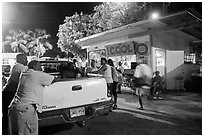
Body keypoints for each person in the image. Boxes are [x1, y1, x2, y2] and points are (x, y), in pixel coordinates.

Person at [8, 60, 54, 135]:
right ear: (34, 66)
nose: (41, 68)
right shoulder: (37, 74)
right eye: (39, 66)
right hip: (25, 110)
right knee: (28, 133)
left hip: (14, 108)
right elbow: (53, 79)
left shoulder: (23, 74)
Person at [2, 53, 28, 135]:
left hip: (8, 92)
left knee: (6, 113)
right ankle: (7, 132)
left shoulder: (16, 66)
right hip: (10, 92)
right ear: (19, 60)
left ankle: (6, 131)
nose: (26, 60)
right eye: (25, 58)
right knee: (8, 114)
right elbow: (27, 77)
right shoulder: (20, 66)